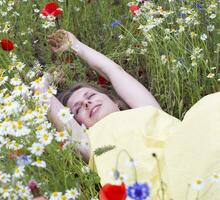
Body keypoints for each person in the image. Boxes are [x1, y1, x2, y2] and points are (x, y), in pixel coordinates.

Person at [37, 30, 220, 199]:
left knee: (210, 107)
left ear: (115, 101)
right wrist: (47, 79)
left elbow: (114, 71)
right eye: (78, 110)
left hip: (186, 158)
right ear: (80, 124)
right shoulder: (88, 141)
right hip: (155, 192)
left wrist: (75, 45)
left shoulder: (145, 108)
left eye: (91, 95)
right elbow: (42, 95)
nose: (87, 103)